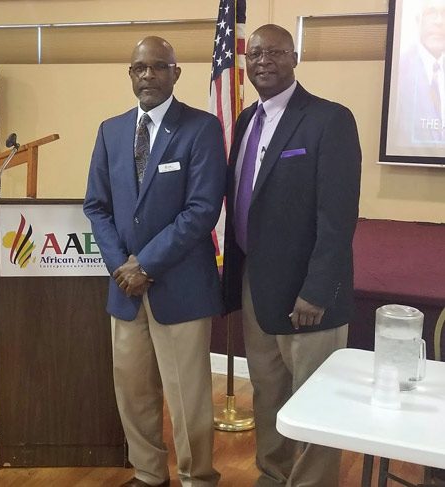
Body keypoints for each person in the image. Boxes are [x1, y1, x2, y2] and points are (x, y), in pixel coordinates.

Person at [222, 25, 361, 487]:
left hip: (307, 295)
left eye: (276, 52)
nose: (264, 61)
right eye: (255, 53)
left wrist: (318, 290)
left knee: (314, 401)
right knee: (268, 391)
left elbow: (338, 217)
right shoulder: (246, 121)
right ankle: (272, 473)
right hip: (256, 285)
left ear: (295, 57)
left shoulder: (329, 119)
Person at [83, 36, 226, 487]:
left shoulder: (201, 128)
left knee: (188, 398)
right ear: (130, 75)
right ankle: (148, 474)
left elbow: (202, 209)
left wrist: (145, 264)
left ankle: (196, 477)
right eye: (139, 68)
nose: (148, 75)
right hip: (124, 291)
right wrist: (119, 266)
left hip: (180, 287)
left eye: (158, 67)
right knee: (134, 392)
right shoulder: (111, 130)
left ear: (175, 73)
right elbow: (96, 207)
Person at [392, 0, 445, 147]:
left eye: (444, 14)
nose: (439, 21)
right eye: (431, 13)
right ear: (418, 21)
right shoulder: (399, 71)